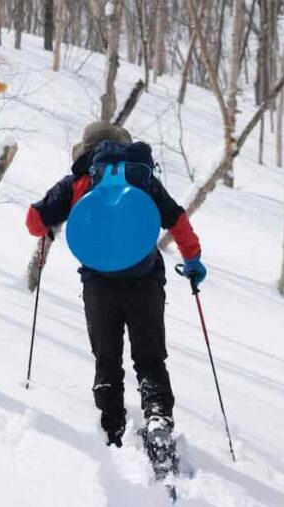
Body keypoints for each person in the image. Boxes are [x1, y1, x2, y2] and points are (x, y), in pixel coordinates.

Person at [25, 121, 206, 448]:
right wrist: (192, 261)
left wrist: (48, 227)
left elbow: (34, 221)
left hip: (99, 285)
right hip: (145, 280)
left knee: (107, 359)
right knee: (150, 358)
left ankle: (111, 429)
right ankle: (157, 418)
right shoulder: (142, 177)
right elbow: (178, 221)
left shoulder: (78, 181)